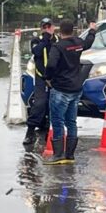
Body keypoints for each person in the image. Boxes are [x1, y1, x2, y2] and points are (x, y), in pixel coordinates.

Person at [42, 19, 96, 165]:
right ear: (73, 30)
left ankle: (58, 154)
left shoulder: (58, 47)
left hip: (61, 89)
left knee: (58, 121)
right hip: (76, 89)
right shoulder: (78, 43)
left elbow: (51, 64)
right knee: (71, 122)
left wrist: (47, 78)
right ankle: (70, 155)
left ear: (60, 31)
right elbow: (89, 42)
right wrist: (92, 30)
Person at [23, 17, 57, 146]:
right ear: (41, 28)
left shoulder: (58, 40)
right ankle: (30, 132)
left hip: (55, 79)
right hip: (41, 78)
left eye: (50, 26)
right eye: (45, 27)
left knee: (54, 106)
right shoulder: (37, 41)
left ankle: (51, 132)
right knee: (39, 105)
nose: (48, 29)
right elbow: (36, 51)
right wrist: (46, 38)